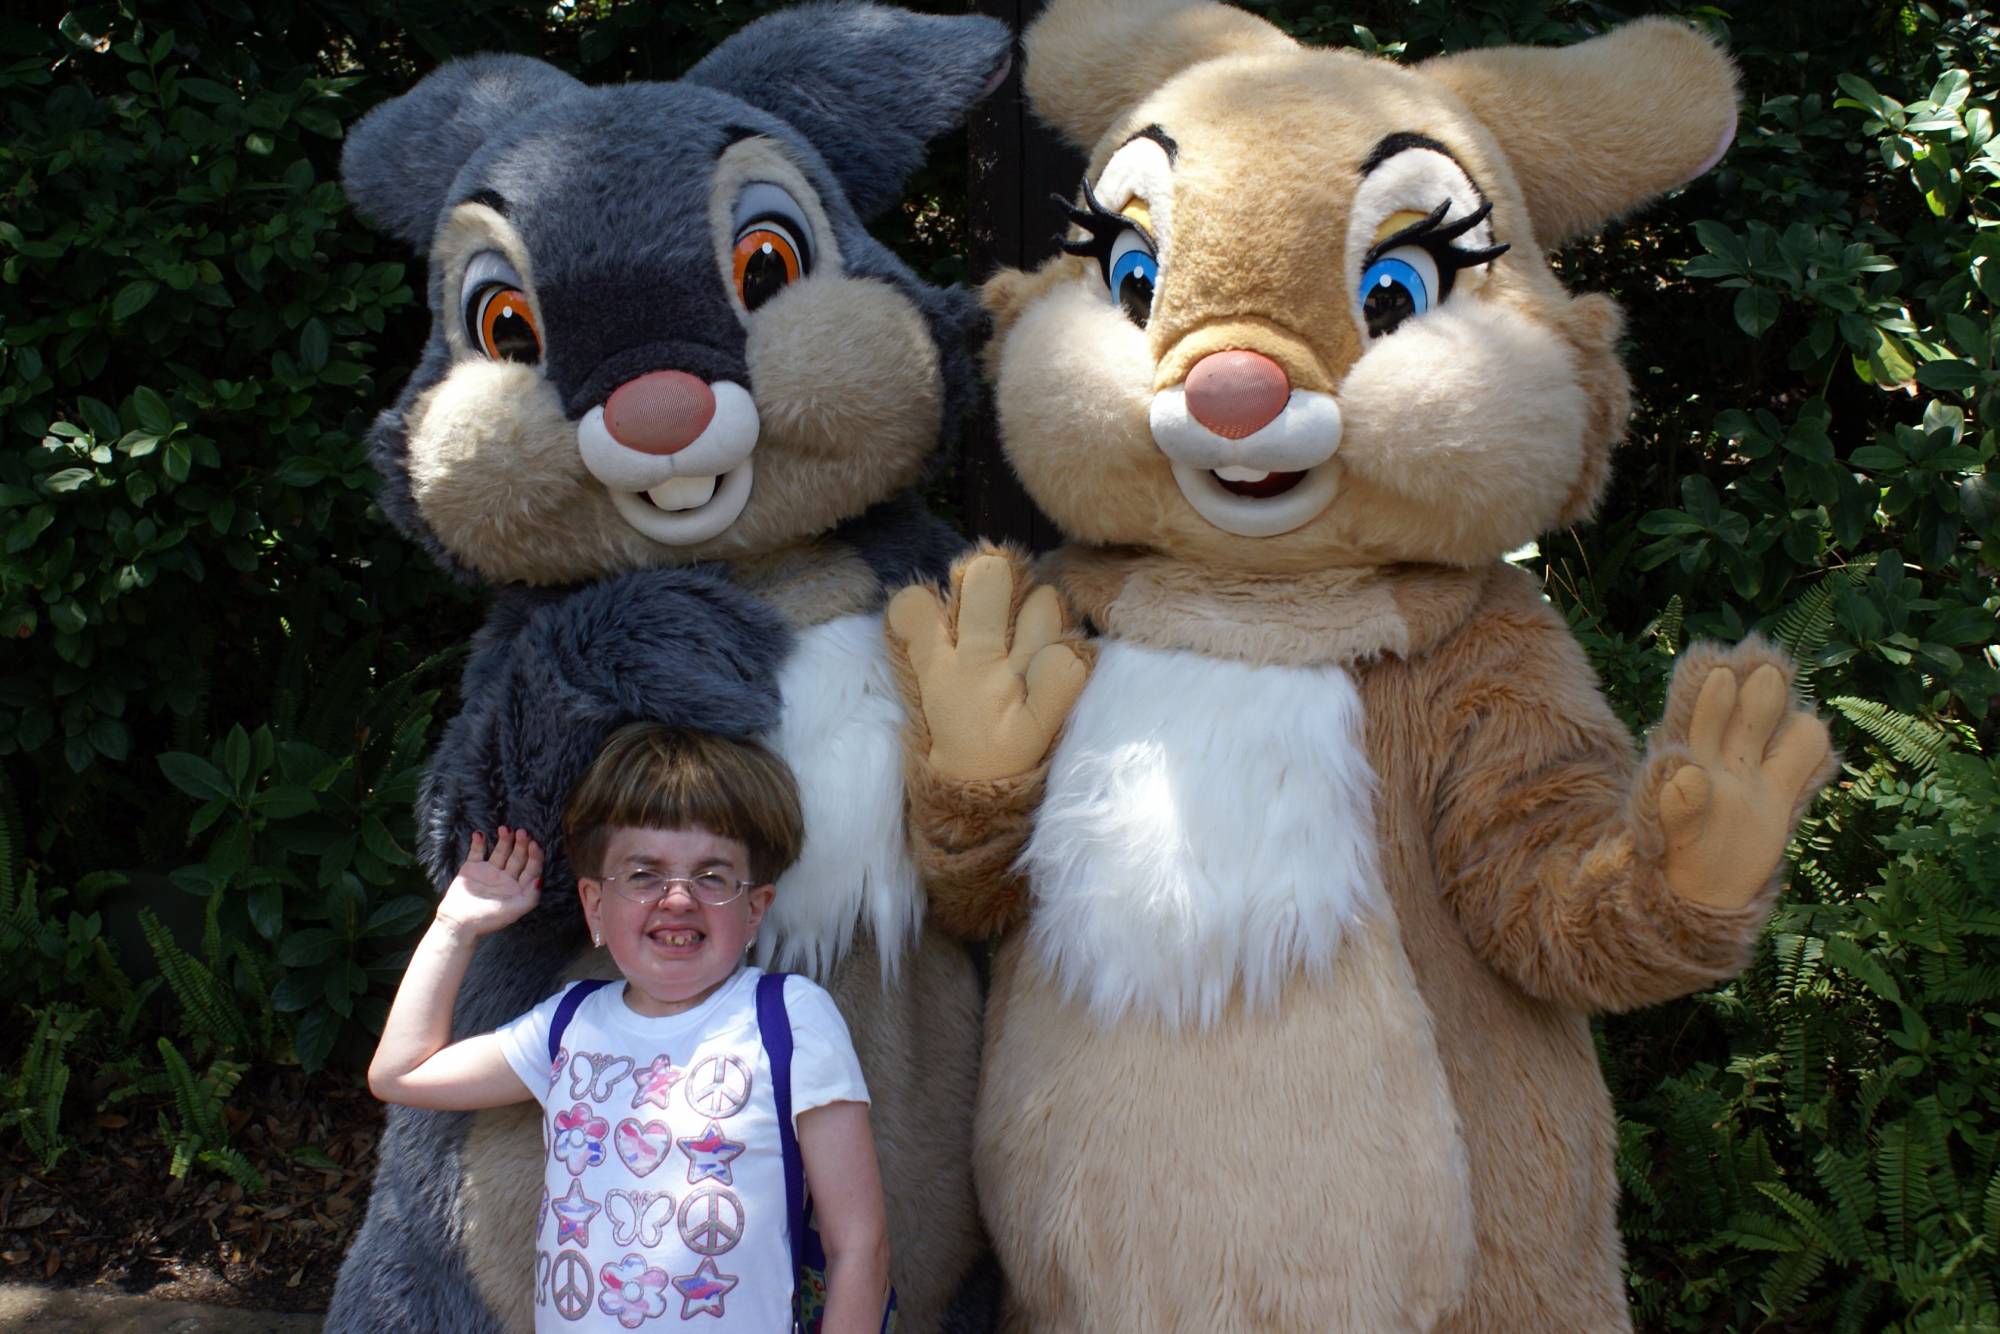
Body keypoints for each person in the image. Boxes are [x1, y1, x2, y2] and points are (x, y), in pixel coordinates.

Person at [368, 723, 890, 1332]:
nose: (677, 899)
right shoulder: (567, 1025)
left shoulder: (789, 1018)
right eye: (643, 875)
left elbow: (860, 1247)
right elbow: (401, 1072)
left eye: (712, 876)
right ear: (595, 906)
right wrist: (455, 925)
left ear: (754, 910)